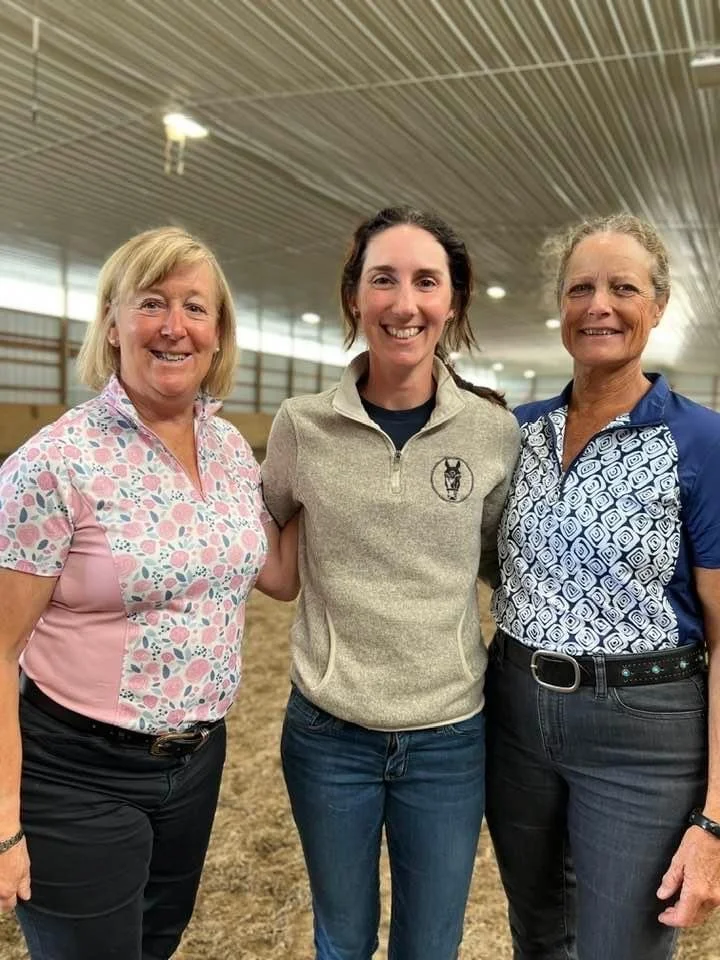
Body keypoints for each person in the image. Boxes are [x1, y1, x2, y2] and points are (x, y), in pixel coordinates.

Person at [0, 226, 298, 960]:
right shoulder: (54, 463)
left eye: (195, 307)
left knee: (157, 941)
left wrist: (339, 479)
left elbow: (278, 575)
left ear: (217, 334)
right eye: (151, 303)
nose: (174, 326)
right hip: (77, 771)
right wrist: (3, 824)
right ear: (112, 323)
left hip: (196, 762)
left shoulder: (229, 448)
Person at [261, 206, 520, 960]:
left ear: (453, 301)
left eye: (426, 281)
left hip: (448, 737)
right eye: (384, 280)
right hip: (328, 734)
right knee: (342, 940)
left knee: (430, 944)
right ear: (354, 296)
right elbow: (259, 528)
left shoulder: (492, 432)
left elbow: (500, 561)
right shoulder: (301, 425)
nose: (404, 303)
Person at [486, 213, 720, 960]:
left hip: (642, 729)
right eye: (580, 288)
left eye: (624, 288)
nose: (599, 306)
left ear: (659, 306)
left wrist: (716, 818)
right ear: (560, 306)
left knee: (621, 947)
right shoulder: (517, 433)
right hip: (517, 710)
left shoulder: (700, 441)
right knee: (536, 935)